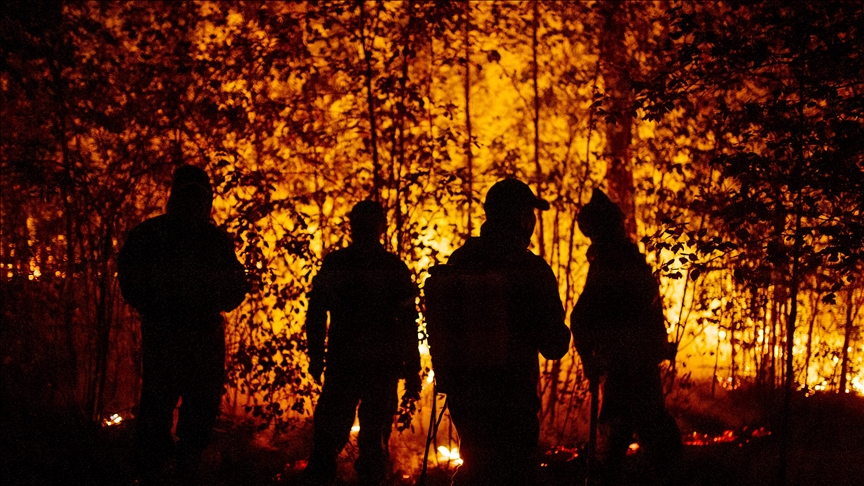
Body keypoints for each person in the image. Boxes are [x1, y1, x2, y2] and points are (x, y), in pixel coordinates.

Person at [117, 164, 250, 484]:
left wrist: (156, 308)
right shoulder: (192, 238)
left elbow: (235, 286)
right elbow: (236, 287)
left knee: (178, 403)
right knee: (174, 404)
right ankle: (166, 467)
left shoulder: (155, 234)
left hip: (180, 332)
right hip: (185, 333)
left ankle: (166, 467)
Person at [440, 178, 571, 486]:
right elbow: (554, 344)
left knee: (476, 466)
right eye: (530, 213)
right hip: (514, 398)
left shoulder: (461, 260)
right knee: (514, 472)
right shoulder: (532, 269)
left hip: (467, 395)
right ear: (523, 218)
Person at [302, 200, 422, 486]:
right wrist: (411, 368)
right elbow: (407, 322)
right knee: (367, 442)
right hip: (372, 366)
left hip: (354, 364)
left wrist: (317, 357)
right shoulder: (390, 267)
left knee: (343, 440)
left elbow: (317, 313)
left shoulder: (340, 264)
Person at [570, 188, 682, 486]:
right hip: (632, 365)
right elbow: (585, 317)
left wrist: (588, 357)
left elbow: (583, 317)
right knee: (646, 436)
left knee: (630, 435)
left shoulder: (612, 262)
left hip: (627, 365)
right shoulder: (620, 260)